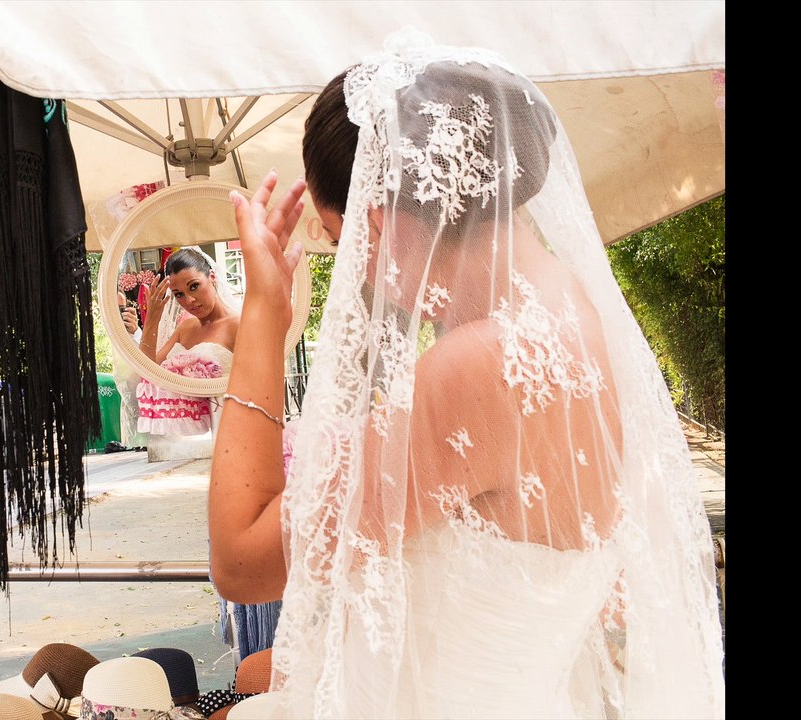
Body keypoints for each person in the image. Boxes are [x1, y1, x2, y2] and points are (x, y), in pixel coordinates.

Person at [208, 32, 725, 719]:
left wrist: (265, 318)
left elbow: (242, 561)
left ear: (380, 222)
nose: (358, 270)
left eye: (343, 242)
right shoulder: (585, 318)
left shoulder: (480, 367)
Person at [135, 246, 241, 436]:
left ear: (212, 277)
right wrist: (151, 321)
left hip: (235, 428)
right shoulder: (185, 329)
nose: (189, 300)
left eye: (194, 286)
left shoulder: (239, 325)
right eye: (179, 294)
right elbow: (149, 374)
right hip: (188, 437)